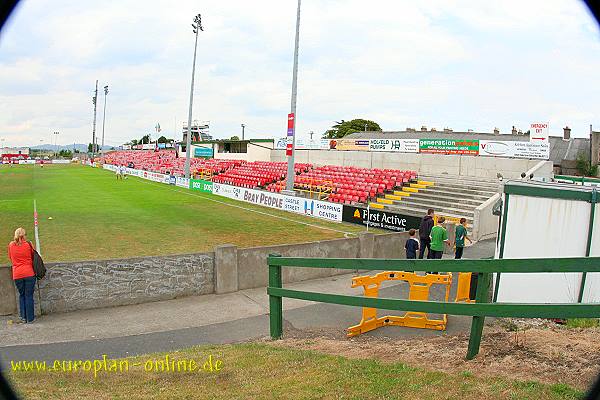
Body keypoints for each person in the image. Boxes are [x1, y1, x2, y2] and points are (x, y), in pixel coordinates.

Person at [7, 228, 36, 323]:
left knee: (22, 295)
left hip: (17, 274)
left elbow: (10, 257)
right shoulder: (28, 244)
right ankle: (30, 318)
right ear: (24, 235)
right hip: (29, 273)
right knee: (29, 296)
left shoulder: (11, 245)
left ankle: (23, 317)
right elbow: (33, 257)